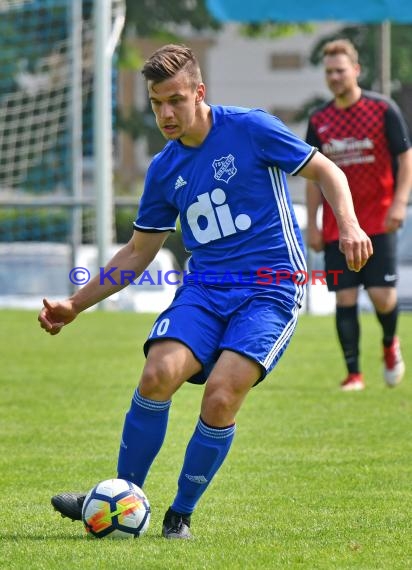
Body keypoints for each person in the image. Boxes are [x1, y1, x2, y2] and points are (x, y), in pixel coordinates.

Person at [38, 44, 372, 539]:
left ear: (199, 92)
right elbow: (136, 253)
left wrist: (347, 223)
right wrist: (75, 304)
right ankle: (118, 498)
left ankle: (180, 515)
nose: (166, 113)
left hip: (269, 290)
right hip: (204, 289)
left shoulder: (250, 128)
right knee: (157, 374)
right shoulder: (163, 169)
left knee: (220, 396)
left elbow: (328, 170)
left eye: (175, 100)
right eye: (156, 103)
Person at [305, 39, 412, 392]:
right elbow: (311, 172)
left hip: (379, 220)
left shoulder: (382, 109)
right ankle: (354, 374)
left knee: (382, 296)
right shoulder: (320, 120)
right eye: (329, 72)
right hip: (337, 228)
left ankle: (389, 344)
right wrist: (315, 222)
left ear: (356, 70)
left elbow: (405, 157)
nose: (335, 77)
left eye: (340, 70)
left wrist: (400, 202)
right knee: (345, 297)